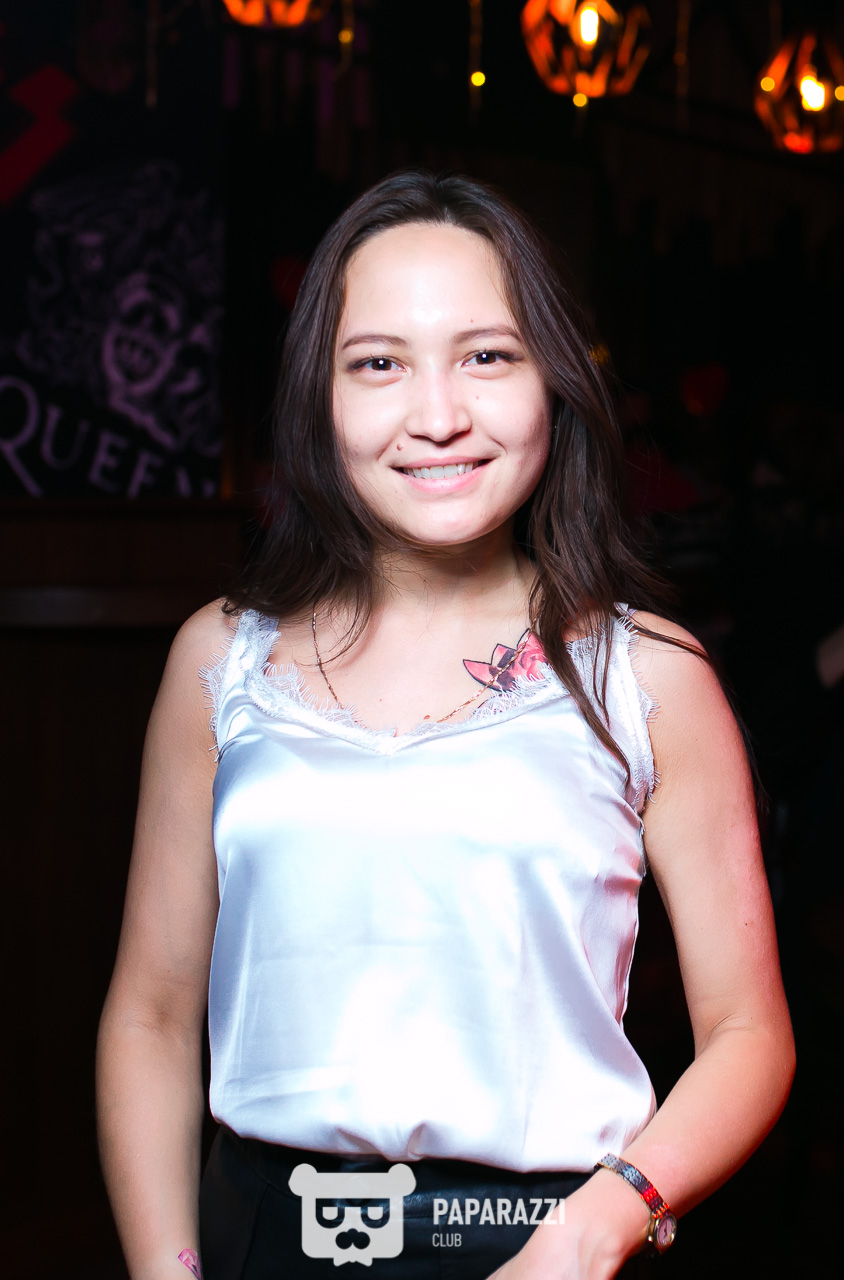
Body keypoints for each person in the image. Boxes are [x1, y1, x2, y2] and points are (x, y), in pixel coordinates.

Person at [95, 171, 795, 1280]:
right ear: (319, 396)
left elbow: (748, 1035)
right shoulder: (222, 661)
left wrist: (592, 1231)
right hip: (261, 1237)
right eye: (379, 363)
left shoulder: (647, 674)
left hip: (541, 1244)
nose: (436, 416)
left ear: (553, 379)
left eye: (487, 356)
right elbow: (153, 1011)